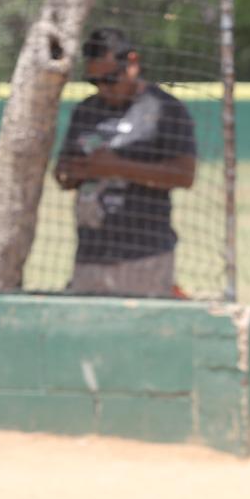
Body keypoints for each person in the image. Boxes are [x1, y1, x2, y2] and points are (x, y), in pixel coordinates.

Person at [53, 27, 197, 297]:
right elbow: (63, 172)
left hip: (143, 254)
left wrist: (117, 167)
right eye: (95, 82)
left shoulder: (164, 109)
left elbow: (184, 175)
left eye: (110, 79)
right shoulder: (86, 111)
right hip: (91, 252)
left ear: (132, 62)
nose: (104, 89)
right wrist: (75, 171)